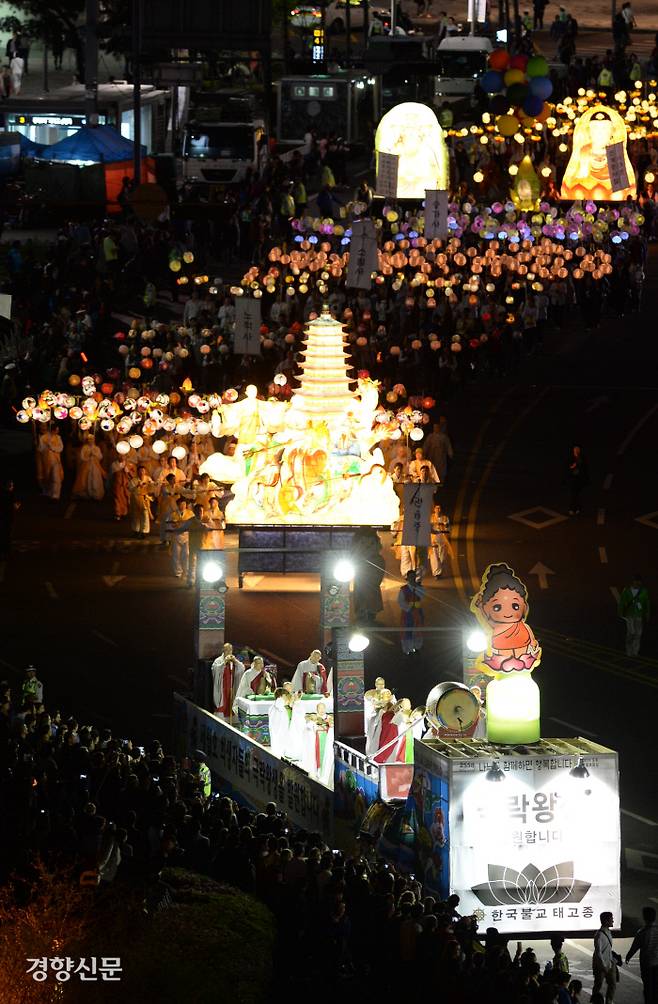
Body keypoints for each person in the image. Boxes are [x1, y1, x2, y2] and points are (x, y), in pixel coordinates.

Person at [626, 906, 658, 1004]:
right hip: (657, 963)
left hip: (647, 964)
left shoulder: (642, 932)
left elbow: (634, 947)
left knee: (647, 987)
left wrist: (628, 957)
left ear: (644, 917)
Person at [618, 575, 650, 656]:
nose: (638, 583)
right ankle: (629, 650)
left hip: (639, 615)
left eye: (639, 582)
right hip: (629, 615)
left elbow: (647, 603)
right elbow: (622, 602)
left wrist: (647, 613)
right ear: (633, 582)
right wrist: (620, 613)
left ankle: (635, 651)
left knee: (638, 634)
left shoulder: (644, 591)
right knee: (631, 632)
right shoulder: (627, 591)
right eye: (636, 581)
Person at [211, 643, 245, 719]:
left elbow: (242, 668)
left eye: (230, 650)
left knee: (232, 700)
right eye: (227, 650)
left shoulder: (234, 660)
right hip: (222, 687)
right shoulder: (218, 660)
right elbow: (215, 670)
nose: (229, 652)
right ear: (223, 650)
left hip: (232, 685)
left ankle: (232, 718)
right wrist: (224, 663)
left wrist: (235, 661)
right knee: (223, 701)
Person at [592, 911, 621, 1002]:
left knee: (612, 984)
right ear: (605, 921)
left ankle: (608, 1001)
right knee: (598, 985)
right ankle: (595, 1001)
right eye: (611, 919)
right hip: (601, 966)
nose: (613, 920)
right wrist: (604, 966)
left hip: (610, 963)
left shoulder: (608, 932)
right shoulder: (599, 935)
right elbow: (598, 953)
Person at [398, 569, 425, 654]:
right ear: (407, 578)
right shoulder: (403, 589)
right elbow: (400, 601)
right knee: (407, 631)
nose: (412, 578)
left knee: (418, 630)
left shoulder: (419, 588)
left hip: (418, 612)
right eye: (410, 577)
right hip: (407, 613)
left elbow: (422, 596)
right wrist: (408, 608)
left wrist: (416, 588)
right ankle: (408, 649)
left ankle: (417, 647)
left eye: (413, 577)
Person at [72, 435, 105, 500]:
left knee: (95, 478)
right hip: (86, 465)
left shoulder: (96, 448)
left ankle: (95, 493)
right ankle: (86, 493)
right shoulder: (85, 447)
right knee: (85, 479)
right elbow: (82, 457)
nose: (90, 441)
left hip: (95, 466)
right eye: (89, 439)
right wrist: (88, 456)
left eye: (92, 439)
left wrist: (94, 454)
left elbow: (100, 456)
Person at [38, 428, 64, 501]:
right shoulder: (43, 437)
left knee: (56, 477)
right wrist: (47, 447)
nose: (57, 431)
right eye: (56, 429)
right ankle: (48, 492)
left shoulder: (58, 437)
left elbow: (61, 448)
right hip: (46, 461)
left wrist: (52, 447)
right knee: (47, 476)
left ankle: (55, 495)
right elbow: (40, 448)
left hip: (56, 461)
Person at [128, 465, 154, 536]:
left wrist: (152, 484)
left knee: (145, 514)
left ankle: (144, 531)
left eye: (143, 471)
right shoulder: (134, 480)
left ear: (145, 471)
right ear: (137, 472)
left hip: (144, 498)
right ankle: (136, 530)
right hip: (136, 498)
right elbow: (130, 488)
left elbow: (152, 487)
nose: (142, 472)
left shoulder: (148, 478)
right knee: (136, 515)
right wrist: (137, 486)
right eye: (140, 471)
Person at [0, 478, 19, 562]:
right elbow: (14, 506)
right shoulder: (11, 495)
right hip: (8, 517)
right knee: (7, 535)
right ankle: (6, 553)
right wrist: (17, 506)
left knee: (2, 534)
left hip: (2, 517)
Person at [565, 445, 588, 515]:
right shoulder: (570, 458)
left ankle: (578, 509)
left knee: (578, 495)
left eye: (578, 450)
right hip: (572, 479)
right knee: (572, 495)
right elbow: (567, 468)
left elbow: (585, 469)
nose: (577, 452)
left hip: (579, 479)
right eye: (576, 450)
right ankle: (571, 509)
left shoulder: (582, 459)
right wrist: (573, 467)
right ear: (574, 451)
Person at [110, 457, 132, 521]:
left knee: (125, 498)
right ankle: (118, 513)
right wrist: (120, 470)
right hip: (117, 485)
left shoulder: (128, 464)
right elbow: (112, 473)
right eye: (120, 455)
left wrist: (127, 470)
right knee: (117, 499)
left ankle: (124, 512)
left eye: (123, 456)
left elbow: (131, 474)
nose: (122, 457)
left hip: (125, 485)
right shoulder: (114, 464)